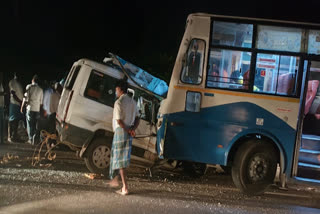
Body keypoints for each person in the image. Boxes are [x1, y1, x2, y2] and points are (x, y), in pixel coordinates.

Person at [107, 80, 140, 196]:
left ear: (120, 90)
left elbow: (119, 121)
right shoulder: (133, 102)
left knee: (119, 159)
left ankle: (124, 187)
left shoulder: (119, 102)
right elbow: (137, 118)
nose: (116, 92)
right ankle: (115, 180)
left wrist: (128, 130)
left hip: (121, 131)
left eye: (116, 90)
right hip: (129, 131)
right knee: (121, 159)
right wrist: (132, 129)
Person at [21, 75, 43, 145]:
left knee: (30, 124)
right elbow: (41, 102)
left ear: (32, 80)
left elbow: (25, 98)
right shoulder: (40, 89)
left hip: (30, 108)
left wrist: (22, 106)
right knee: (36, 125)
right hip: (37, 109)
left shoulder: (29, 87)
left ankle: (30, 139)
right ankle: (35, 139)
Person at [8, 72, 24, 143]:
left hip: (18, 104)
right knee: (12, 121)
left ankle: (15, 136)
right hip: (14, 103)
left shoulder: (18, 83)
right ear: (15, 75)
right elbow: (13, 93)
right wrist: (20, 101)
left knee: (16, 120)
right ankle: (10, 137)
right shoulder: (12, 82)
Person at [0, 72, 5, 144]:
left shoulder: (1, 84)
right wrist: (3, 93)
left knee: (2, 123)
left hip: (1, 105)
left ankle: (2, 140)